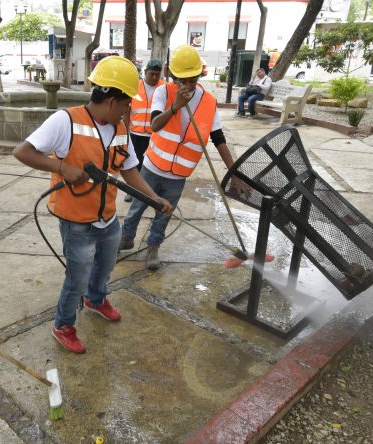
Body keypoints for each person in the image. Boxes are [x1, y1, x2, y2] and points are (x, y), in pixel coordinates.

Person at [13, 56, 173, 354]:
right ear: (112, 100)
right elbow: (22, 152)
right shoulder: (66, 121)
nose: (129, 108)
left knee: (104, 266)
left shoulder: (121, 126)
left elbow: (129, 170)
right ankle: (63, 325)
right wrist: (62, 167)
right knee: (77, 277)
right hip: (76, 221)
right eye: (127, 102)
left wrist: (154, 198)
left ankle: (96, 299)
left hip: (108, 218)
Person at [119, 44, 236, 270]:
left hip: (179, 173)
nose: (190, 85)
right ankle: (127, 238)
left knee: (164, 214)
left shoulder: (208, 101)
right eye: (184, 80)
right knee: (137, 206)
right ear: (173, 77)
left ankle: (153, 247)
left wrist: (234, 172)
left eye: (193, 79)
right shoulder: (164, 92)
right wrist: (175, 107)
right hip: (152, 166)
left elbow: (218, 138)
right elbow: (154, 125)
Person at [123, 59, 165, 202]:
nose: (154, 77)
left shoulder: (165, 88)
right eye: (151, 74)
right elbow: (126, 110)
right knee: (135, 164)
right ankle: (133, 191)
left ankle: (151, 192)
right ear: (145, 73)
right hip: (137, 134)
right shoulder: (135, 86)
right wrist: (125, 130)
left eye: (157, 75)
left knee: (154, 164)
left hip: (156, 134)